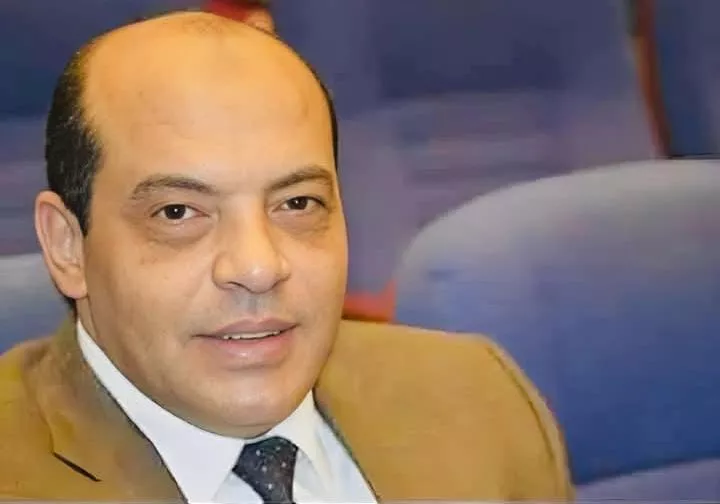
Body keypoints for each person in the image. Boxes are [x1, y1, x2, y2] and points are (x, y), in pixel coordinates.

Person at [0, 11, 573, 502]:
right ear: (67, 246)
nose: (258, 267)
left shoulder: (479, 398)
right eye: (178, 213)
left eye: (298, 203)